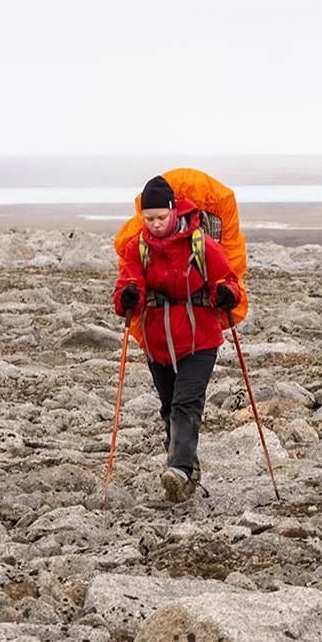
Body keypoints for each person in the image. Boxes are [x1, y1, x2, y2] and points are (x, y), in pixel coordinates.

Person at [113, 175, 245, 502]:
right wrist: (127, 297)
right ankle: (185, 470)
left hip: (200, 338)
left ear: (174, 211)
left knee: (186, 402)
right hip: (157, 340)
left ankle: (180, 470)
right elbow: (126, 286)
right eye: (149, 218)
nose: (155, 224)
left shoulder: (201, 244)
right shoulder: (137, 248)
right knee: (169, 406)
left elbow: (227, 279)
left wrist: (227, 293)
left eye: (161, 217)